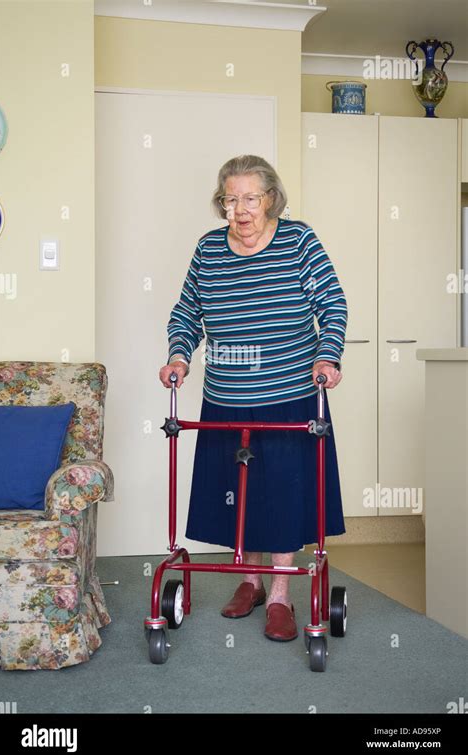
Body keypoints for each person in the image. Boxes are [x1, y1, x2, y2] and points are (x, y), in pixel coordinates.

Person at [159, 154, 347, 642]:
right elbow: (186, 312)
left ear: (270, 199)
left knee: (281, 495)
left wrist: (327, 358)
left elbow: (332, 303)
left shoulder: (298, 240)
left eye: (249, 198)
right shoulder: (208, 250)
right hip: (226, 396)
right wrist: (179, 357)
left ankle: (281, 596)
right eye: (229, 199)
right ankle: (250, 582)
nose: (239, 209)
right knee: (238, 495)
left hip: (287, 394)